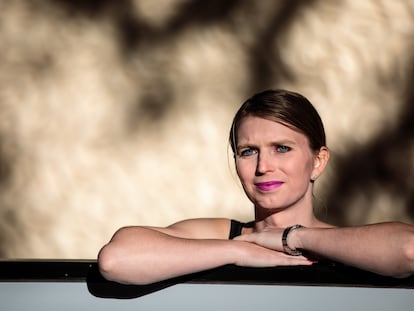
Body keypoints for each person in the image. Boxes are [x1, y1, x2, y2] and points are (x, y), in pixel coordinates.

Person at [98, 89, 414, 285]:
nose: (263, 167)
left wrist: (294, 237)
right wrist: (239, 250)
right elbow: (117, 260)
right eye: (248, 151)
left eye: (282, 148)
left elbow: (408, 250)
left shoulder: (344, 245)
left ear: (318, 161)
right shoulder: (220, 235)